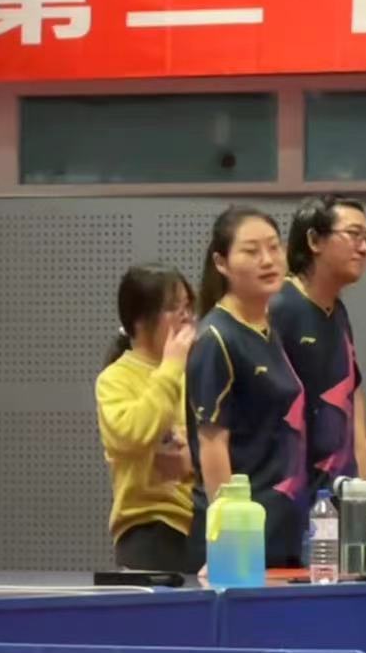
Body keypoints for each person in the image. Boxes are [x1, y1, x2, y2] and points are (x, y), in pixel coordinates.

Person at [185, 206, 308, 569]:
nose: (267, 260)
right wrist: (231, 542)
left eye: (273, 247)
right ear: (221, 263)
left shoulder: (271, 329)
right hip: (242, 539)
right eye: (251, 251)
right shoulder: (216, 338)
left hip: (281, 527)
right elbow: (212, 444)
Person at [95, 263, 199, 573]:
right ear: (140, 321)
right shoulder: (115, 379)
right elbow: (134, 433)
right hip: (148, 530)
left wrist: (191, 460)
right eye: (172, 308)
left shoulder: (196, 371)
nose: (185, 316)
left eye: (187, 307)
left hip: (201, 524)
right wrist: (171, 367)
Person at [269, 196, 366, 497]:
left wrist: (362, 480)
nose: (363, 248)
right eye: (353, 235)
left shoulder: (338, 312)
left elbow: (351, 393)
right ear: (314, 240)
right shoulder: (278, 308)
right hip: (289, 492)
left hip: (339, 490)